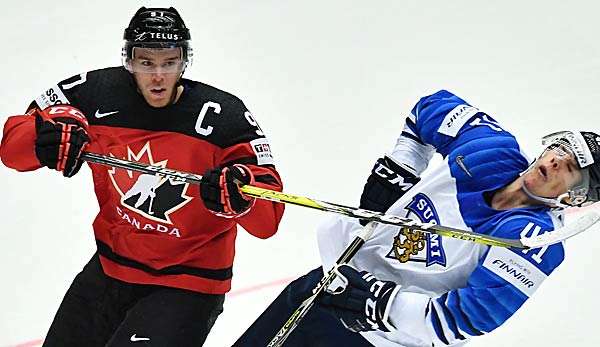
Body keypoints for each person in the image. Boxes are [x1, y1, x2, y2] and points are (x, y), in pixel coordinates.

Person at [0, 7, 284, 347]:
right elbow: (12, 150)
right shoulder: (93, 92)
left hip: (189, 282)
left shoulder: (225, 117)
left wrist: (241, 195)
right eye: (146, 62)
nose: (158, 76)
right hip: (110, 268)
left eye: (169, 62)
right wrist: (47, 134)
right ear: (128, 60)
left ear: (184, 61)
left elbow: (268, 219)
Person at [233, 89, 600, 346]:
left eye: (570, 167)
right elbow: (430, 107)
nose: (554, 161)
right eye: (559, 150)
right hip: (327, 285)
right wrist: (402, 165)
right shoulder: (490, 149)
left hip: (384, 341)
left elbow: (468, 318)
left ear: (576, 195)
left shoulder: (536, 241)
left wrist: (381, 306)